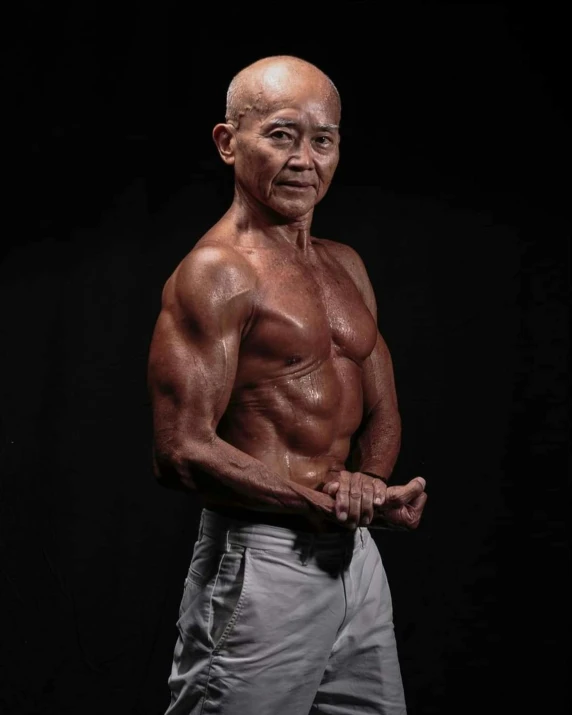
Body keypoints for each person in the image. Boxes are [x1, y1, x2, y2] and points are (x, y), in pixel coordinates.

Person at [147, 54, 427, 715]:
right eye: (280, 134)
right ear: (227, 142)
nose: (305, 159)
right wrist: (321, 505)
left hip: (352, 558)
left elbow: (381, 405)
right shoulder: (217, 273)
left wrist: (368, 484)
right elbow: (180, 449)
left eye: (322, 139)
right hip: (264, 557)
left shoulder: (344, 265)